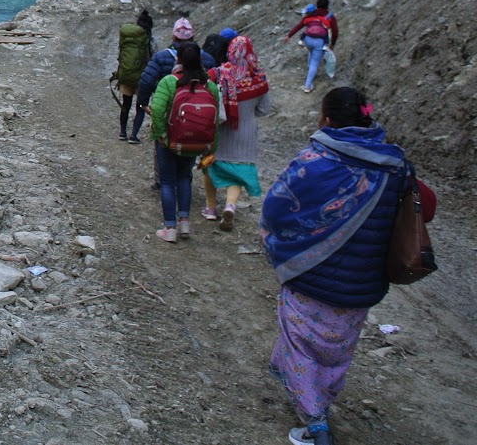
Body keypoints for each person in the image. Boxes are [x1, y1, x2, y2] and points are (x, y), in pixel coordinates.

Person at [261, 87, 435, 445]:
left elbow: (275, 207)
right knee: (335, 351)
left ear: (326, 120)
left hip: (309, 275)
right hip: (363, 285)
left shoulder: (314, 160)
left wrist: (279, 241)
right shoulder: (396, 165)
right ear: (366, 116)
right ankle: (320, 401)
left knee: (301, 346)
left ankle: (316, 424)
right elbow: (427, 208)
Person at [148, 42, 220, 242]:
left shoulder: (169, 82)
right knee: (185, 178)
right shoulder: (210, 86)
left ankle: (169, 228)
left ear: (178, 59)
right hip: (196, 143)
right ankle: (185, 223)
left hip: (170, 142)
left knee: (168, 182)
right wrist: (210, 148)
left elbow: (157, 112)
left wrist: (161, 136)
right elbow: (215, 121)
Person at [137, 18, 219, 185]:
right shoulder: (208, 59)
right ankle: (183, 179)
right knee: (189, 142)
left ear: (173, 37)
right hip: (196, 113)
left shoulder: (161, 57)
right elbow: (213, 89)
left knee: (162, 145)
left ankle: (162, 180)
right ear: (193, 37)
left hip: (166, 110)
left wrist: (142, 104)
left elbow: (146, 81)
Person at [200, 35, 270, 229]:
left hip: (220, 130)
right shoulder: (258, 77)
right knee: (238, 171)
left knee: (210, 165)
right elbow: (264, 109)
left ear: (230, 52)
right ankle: (230, 206)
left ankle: (211, 209)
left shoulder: (219, 74)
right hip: (245, 133)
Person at [113, 9, 153, 143]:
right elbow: (153, 57)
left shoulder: (127, 36)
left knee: (126, 104)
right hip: (141, 77)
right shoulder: (147, 38)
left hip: (126, 75)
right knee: (141, 106)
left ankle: (122, 132)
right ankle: (133, 136)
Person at [285, 0, 339, 93]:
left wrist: (289, 35)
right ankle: (307, 86)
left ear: (317, 5)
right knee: (315, 62)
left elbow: (299, 26)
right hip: (319, 41)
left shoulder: (310, 14)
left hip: (307, 39)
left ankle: (310, 72)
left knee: (311, 52)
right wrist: (332, 44)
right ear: (327, 6)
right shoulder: (330, 17)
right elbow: (335, 31)